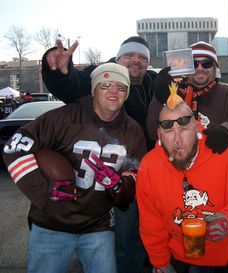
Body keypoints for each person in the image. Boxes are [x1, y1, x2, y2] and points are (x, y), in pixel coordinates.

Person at [2, 63, 146, 273]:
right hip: (52, 225)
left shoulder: (133, 130)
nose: (113, 91)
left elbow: (135, 177)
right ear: (93, 89)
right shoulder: (63, 118)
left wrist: (121, 187)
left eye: (121, 87)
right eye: (105, 85)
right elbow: (14, 147)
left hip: (99, 225)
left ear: (126, 93)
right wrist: (44, 192)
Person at [41, 36, 156, 273]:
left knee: (134, 236)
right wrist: (59, 72)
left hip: (139, 176)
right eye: (129, 55)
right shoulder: (101, 74)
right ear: (117, 58)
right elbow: (72, 83)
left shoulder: (153, 83)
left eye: (142, 57)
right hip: (100, 176)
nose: (136, 61)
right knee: (104, 240)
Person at [136, 96, 228, 273]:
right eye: (168, 131)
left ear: (197, 128)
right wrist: (160, 262)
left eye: (184, 129)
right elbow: (151, 223)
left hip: (227, 257)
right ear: (159, 135)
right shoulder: (149, 167)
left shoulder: (225, 155)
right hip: (179, 257)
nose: (177, 140)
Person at [147, 41, 228, 154]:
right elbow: (153, 132)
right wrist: (159, 98)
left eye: (206, 63)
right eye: (194, 63)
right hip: (178, 166)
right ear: (187, 68)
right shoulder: (173, 93)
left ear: (215, 67)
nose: (200, 68)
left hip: (216, 166)